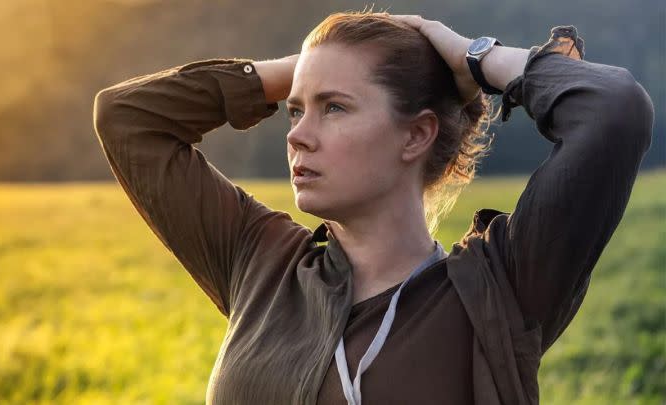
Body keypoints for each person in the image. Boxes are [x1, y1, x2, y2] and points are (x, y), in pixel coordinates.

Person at [92, 11, 653, 405]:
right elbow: (127, 119)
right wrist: (310, 68)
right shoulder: (258, 262)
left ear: (415, 136)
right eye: (294, 111)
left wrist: (472, 58)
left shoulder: (504, 290)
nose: (298, 136)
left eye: (334, 108)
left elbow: (613, 110)